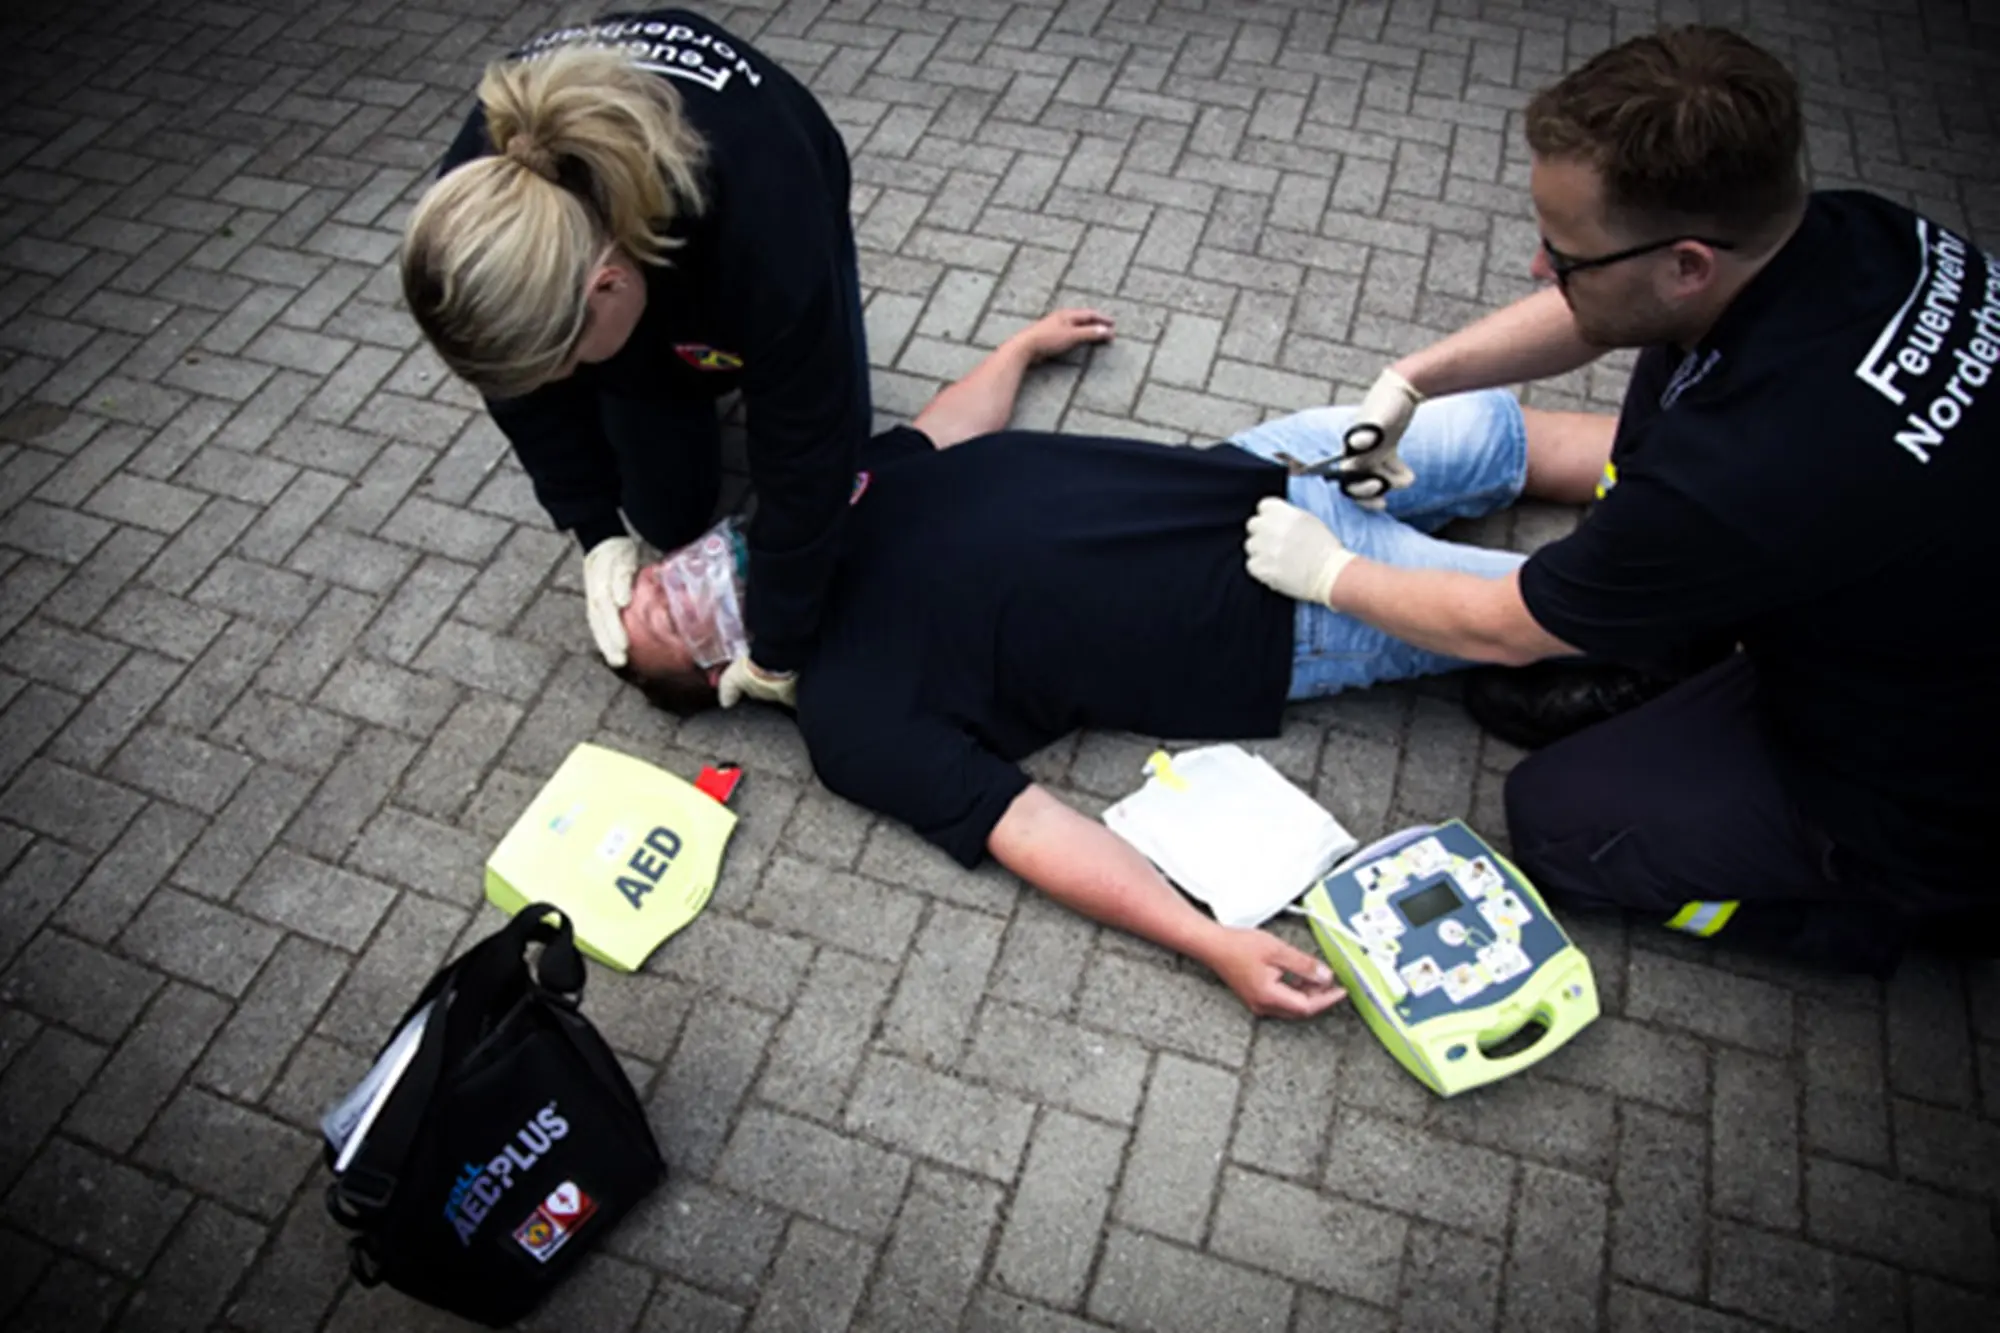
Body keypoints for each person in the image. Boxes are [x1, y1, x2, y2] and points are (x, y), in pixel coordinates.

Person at [1245, 25, 2000, 973]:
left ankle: (1901, 910)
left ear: (1687, 262)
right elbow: (1607, 312)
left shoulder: (1740, 469)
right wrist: (1415, 379)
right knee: (1661, 349)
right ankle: (1669, 649)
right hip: (1918, 592)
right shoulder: (1858, 233)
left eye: (1565, 257)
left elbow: (1504, 627)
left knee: (1558, 823)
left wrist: (1332, 573)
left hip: (1931, 775)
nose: (1539, 269)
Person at [619, 309, 1616, 1017]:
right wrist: (1208, 941)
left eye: (654, 574)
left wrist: (1017, 349)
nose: (663, 580)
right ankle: (1689, 628)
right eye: (661, 612)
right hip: (1288, 610)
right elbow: (1029, 828)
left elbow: (941, 429)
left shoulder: (816, 511)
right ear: (717, 673)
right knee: (1567, 603)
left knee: (1501, 437)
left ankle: (1694, 465)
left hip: (1255, 470)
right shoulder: (849, 720)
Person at [402, 9, 868, 709]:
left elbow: (808, 448)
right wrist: (592, 525)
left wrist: (779, 644)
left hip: (775, 170)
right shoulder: (476, 217)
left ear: (609, 285)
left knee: (838, 445)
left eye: (564, 363)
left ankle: (701, 364)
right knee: (668, 514)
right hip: (638, 274)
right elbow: (516, 383)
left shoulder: (766, 230)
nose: (557, 384)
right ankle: (667, 379)